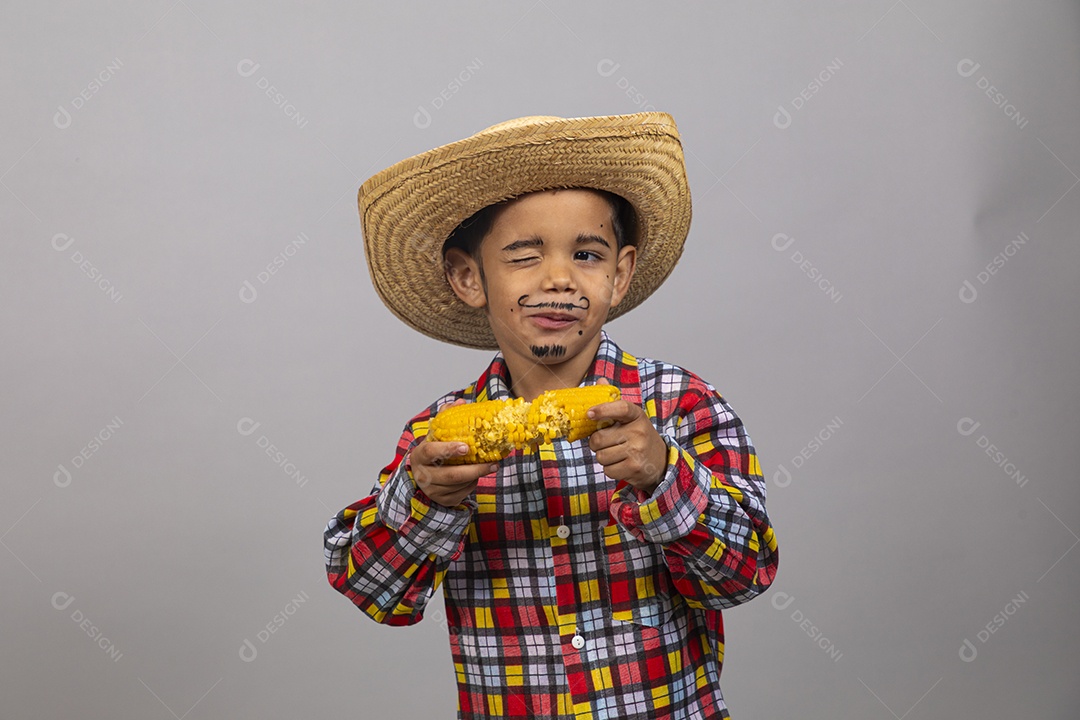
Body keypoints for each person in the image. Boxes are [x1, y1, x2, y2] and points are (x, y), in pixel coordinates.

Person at [324, 112, 778, 719]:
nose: (559, 278)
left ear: (619, 275)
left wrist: (663, 477)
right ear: (467, 276)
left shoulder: (682, 404)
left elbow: (745, 575)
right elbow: (376, 592)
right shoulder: (435, 438)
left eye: (587, 255)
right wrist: (425, 500)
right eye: (524, 256)